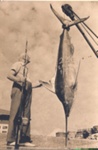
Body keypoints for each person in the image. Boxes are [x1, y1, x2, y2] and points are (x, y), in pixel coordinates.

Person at [6, 53, 42, 147]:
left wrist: (37, 85)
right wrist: (19, 79)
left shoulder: (27, 69)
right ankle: (11, 139)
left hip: (27, 90)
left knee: (26, 115)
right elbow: (9, 75)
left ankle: (24, 139)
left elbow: (28, 83)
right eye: (26, 57)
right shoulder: (18, 64)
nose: (28, 58)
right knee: (15, 113)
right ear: (23, 58)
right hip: (18, 89)